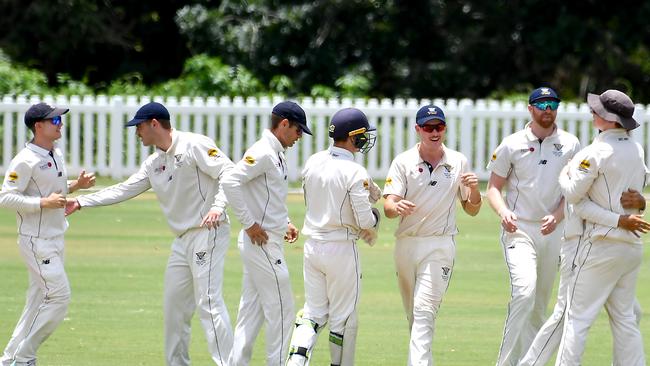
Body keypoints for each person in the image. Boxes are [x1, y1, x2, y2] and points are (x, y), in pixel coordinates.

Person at [65, 102, 234, 366]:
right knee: (174, 309)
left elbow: (228, 172)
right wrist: (81, 202)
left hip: (208, 231)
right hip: (182, 240)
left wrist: (217, 206)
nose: (137, 133)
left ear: (154, 123)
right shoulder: (154, 163)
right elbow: (124, 188)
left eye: (139, 127)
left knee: (209, 302)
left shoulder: (194, 144)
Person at [486, 87, 581, 366]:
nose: (548, 109)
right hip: (519, 230)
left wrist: (558, 215)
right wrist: (504, 212)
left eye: (552, 104)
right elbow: (493, 187)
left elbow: (573, 192)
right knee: (524, 292)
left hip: (553, 232)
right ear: (530, 109)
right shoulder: (512, 143)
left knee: (540, 307)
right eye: (542, 104)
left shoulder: (570, 143)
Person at [382, 104, 482, 365]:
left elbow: (472, 209)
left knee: (425, 311)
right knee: (414, 316)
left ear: (444, 128)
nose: (434, 132)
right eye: (428, 127)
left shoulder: (458, 161)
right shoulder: (403, 161)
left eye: (438, 127)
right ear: (418, 129)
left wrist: (475, 190)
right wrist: (396, 206)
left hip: (440, 244)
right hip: (407, 244)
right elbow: (389, 206)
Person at [554, 89, 648, 366]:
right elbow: (635, 192)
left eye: (596, 111)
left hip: (601, 245)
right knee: (625, 319)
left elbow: (572, 196)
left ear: (607, 119)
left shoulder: (596, 152)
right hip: (630, 247)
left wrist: (565, 172)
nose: (592, 113)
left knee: (577, 319)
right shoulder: (636, 148)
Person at [0, 102, 96, 366]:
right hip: (36, 240)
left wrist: (76, 185)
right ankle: (24, 357)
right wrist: (42, 204)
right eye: (54, 121)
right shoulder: (25, 160)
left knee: (37, 301)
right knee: (59, 297)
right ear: (38, 126)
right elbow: (6, 198)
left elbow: (52, 190)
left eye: (60, 120)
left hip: (56, 237)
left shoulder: (55, 152)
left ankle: (9, 360)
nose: (60, 124)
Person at [286, 108, 381, 366]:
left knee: (313, 313)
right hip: (341, 249)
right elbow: (365, 220)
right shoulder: (354, 172)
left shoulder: (314, 161)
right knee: (344, 319)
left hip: (313, 246)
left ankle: (296, 362)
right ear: (353, 137)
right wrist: (375, 219)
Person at [222, 101, 311, 366]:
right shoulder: (263, 152)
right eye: (297, 130)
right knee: (283, 311)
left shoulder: (276, 152)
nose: (299, 137)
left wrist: (284, 222)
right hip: (261, 243)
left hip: (267, 239)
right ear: (284, 124)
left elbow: (267, 195)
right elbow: (230, 181)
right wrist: (249, 224)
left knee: (251, 313)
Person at [518, 187, 647, 366]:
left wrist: (640, 203)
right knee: (565, 314)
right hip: (579, 244)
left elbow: (619, 192)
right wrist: (620, 220)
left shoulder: (621, 159)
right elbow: (578, 198)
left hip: (606, 247)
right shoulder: (583, 161)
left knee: (631, 312)